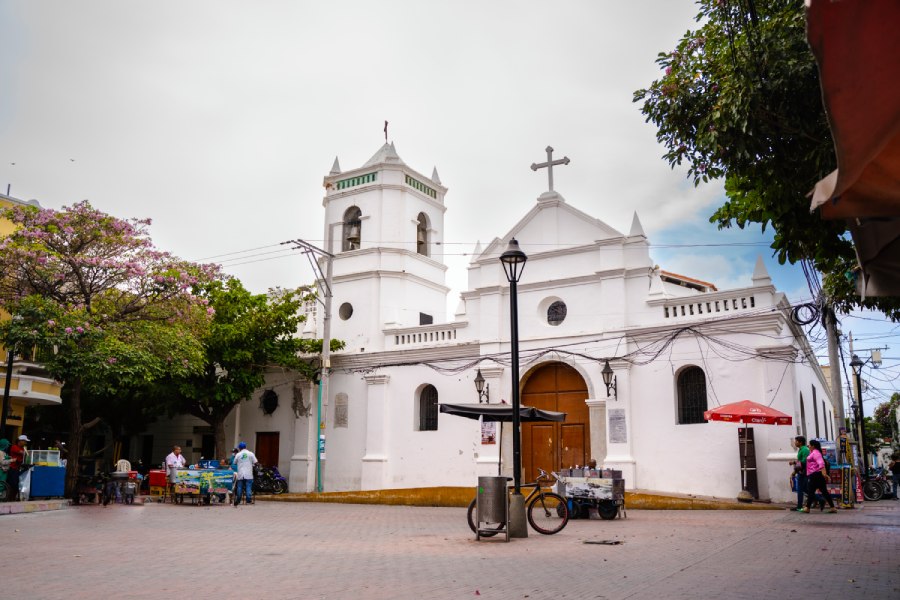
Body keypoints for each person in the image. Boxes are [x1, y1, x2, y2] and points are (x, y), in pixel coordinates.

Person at [799, 439, 837, 513]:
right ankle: (832, 507)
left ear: (813, 446)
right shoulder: (813, 452)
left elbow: (821, 464)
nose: (808, 446)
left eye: (809, 445)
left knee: (810, 491)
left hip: (815, 475)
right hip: (816, 475)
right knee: (823, 492)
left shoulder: (816, 453)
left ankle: (807, 508)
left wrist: (825, 474)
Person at [232, 441, 258, 506]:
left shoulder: (238, 454)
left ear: (240, 448)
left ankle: (238, 500)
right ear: (246, 447)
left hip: (240, 474)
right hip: (248, 474)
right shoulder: (251, 454)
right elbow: (256, 462)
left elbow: (234, 462)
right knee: (248, 486)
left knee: (239, 487)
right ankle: (248, 501)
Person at [788, 436, 809, 511]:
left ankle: (799, 506)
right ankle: (820, 499)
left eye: (796, 441)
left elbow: (804, 462)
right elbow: (800, 461)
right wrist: (795, 472)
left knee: (800, 489)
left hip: (804, 472)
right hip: (800, 472)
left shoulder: (805, 450)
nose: (795, 442)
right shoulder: (801, 449)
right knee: (804, 489)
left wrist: (794, 462)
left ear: (800, 442)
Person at [7, 435, 28, 502]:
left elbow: (26, 455)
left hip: (18, 468)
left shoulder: (23, 448)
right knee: (13, 484)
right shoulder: (14, 447)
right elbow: (24, 453)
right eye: (24, 441)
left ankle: (13, 498)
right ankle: (10, 498)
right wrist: (26, 452)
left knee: (17, 483)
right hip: (12, 468)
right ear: (20, 441)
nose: (25, 443)